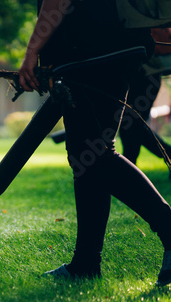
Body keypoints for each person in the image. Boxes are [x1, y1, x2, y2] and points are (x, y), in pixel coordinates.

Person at [18, 0, 171, 286]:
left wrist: (32, 50)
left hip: (92, 51)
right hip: (112, 47)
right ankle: (86, 262)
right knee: (86, 158)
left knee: (95, 155)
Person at [120, 28, 171, 167]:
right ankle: (129, 166)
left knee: (131, 124)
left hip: (147, 74)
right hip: (147, 74)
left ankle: (129, 166)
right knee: (132, 124)